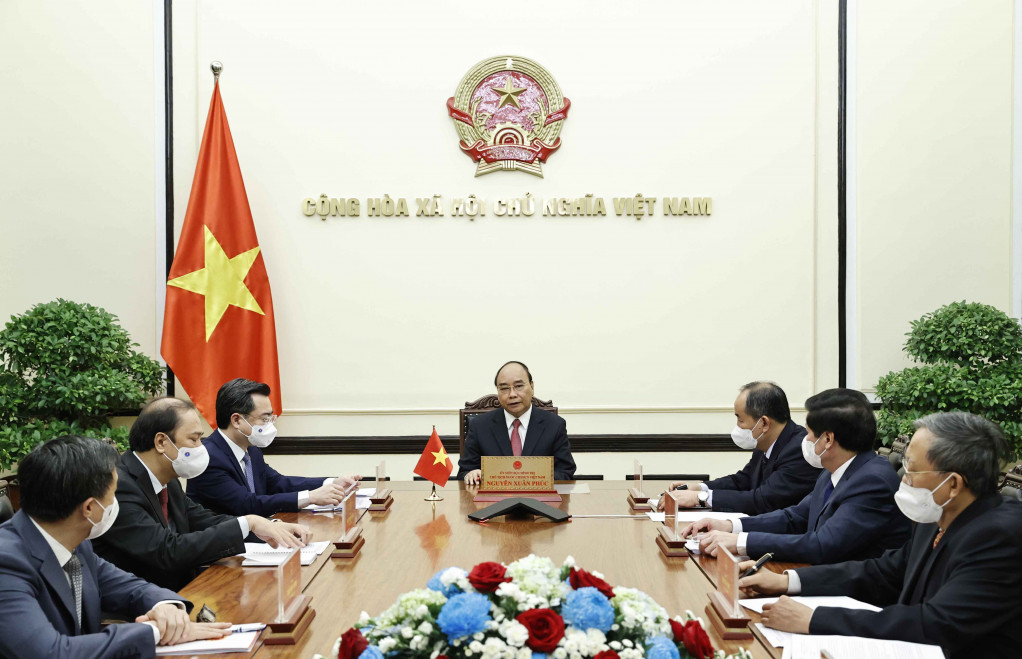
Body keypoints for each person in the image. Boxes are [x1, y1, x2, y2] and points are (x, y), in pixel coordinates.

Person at [739, 412, 1022, 658]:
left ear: (953, 484)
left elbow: (938, 623)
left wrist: (814, 619)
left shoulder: (999, 535)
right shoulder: (938, 512)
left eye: (911, 469)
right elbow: (884, 571)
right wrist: (786, 581)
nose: (903, 478)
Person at [0, 436, 232, 658]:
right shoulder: (7, 563)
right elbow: (50, 653)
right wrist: (153, 631)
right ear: (89, 508)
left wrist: (165, 606)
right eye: (114, 494)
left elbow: (127, 586)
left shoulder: (73, 541)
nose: (116, 504)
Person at [91, 397, 312, 590]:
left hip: (187, 590)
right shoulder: (119, 485)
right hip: (146, 608)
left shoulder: (169, 481)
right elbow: (167, 550)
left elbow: (204, 520)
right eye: (194, 439)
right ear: (161, 442)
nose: (201, 447)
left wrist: (270, 526)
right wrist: (248, 523)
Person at [682, 388, 910, 564]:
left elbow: (823, 544)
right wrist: (729, 526)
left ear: (828, 439)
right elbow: (794, 517)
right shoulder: (836, 470)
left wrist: (742, 542)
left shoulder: (873, 480)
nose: (807, 439)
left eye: (810, 433)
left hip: (856, 596)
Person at [187, 378, 360, 516]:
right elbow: (247, 504)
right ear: (237, 420)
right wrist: (311, 497)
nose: (269, 424)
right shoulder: (209, 457)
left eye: (271, 418)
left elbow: (278, 483)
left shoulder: (251, 449)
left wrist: (331, 482)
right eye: (264, 418)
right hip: (225, 552)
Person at [658, 381, 821, 514]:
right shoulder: (765, 441)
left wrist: (700, 498)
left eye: (740, 420)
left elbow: (763, 500)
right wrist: (698, 487)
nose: (737, 426)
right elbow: (743, 480)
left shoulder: (799, 450)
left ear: (763, 423)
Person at [457, 361, 576, 484]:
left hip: (539, 501)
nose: (512, 394)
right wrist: (470, 475)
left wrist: (532, 481)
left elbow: (565, 472)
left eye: (518, 386)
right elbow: (464, 472)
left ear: (532, 387)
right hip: (493, 501)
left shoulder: (554, 425)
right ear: (497, 392)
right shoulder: (480, 426)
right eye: (504, 388)